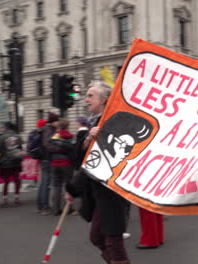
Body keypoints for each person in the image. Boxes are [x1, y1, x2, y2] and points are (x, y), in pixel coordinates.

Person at [65, 81, 132, 264]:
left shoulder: (115, 121)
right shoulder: (95, 122)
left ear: (103, 100)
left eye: (90, 95)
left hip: (111, 191)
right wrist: (88, 139)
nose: (86, 100)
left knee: (113, 240)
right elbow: (81, 160)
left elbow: (100, 163)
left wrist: (72, 189)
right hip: (97, 192)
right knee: (97, 237)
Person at [49, 119, 74, 216]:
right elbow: (72, 149)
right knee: (67, 186)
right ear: (67, 126)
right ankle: (67, 208)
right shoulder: (70, 137)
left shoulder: (54, 136)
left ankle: (55, 209)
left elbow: (50, 148)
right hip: (66, 163)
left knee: (56, 186)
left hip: (55, 163)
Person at [0, 121, 25, 207]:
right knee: (17, 180)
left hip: (5, 163)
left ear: (6, 128)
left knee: (6, 181)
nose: (1, 129)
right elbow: (21, 149)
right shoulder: (18, 137)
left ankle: (5, 199)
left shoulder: (1, 138)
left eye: (2, 127)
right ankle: (17, 198)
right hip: (16, 162)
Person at [36, 112, 60, 215]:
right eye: (57, 120)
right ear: (53, 121)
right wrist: (58, 149)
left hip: (44, 158)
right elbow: (46, 144)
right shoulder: (48, 129)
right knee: (46, 183)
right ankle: (44, 207)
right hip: (47, 158)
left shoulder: (47, 129)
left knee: (43, 183)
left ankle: (40, 206)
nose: (58, 122)